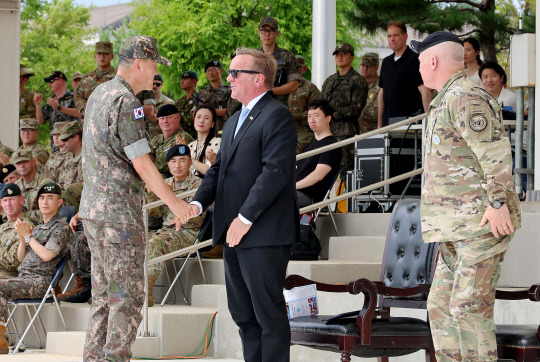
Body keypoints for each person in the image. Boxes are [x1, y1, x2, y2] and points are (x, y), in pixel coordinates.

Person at [75, 35, 193, 361]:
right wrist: (176, 204)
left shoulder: (99, 93)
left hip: (94, 213)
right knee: (124, 297)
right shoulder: (128, 104)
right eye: (154, 64)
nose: (156, 73)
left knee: (103, 295)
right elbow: (142, 162)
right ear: (139, 63)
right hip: (118, 219)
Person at [412, 31, 521, 361]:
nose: (417, 66)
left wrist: (499, 202)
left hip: (480, 224)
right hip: (455, 228)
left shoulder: (465, 97)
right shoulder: (446, 98)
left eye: (419, 60)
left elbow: (495, 153)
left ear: (432, 60)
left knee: (467, 308)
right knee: (441, 305)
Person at [189, 47, 298, 362]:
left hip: (262, 233)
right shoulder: (235, 119)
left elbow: (275, 172)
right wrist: (197, 204)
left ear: (259, 79)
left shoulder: (276, 115)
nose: (229, 78)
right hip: (232, 232)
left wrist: (245, 218)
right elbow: (219, 170)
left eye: (236, 73)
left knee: (268, 316)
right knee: (244, 317)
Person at [0, 181, 72, 355]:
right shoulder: (39, 228)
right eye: (41, 198)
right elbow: (21, 258)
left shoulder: (61, 227)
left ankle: (1, 338)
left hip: (41, 282)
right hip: (24, 278)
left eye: (50, 198)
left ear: (59, 202)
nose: (45, 202)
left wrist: (28, 237)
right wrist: (23, 238)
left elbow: (47, 255)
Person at [146, 144, 204, 306]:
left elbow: (194, 216)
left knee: (155, 243)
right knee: (132, 241)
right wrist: (150, 194)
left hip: (187, 233)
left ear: (190, 162)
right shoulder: (164, 184)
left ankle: (146, 293)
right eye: (173, 161)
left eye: (182, 160)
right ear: (168, 164)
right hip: (164, 231)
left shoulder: (198, 185)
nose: (177, 165)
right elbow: (154, 214)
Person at [321, 42, 368, 177]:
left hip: (345, 134)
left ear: (352, 57)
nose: (339, 57)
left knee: (344, 171)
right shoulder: (330, 81)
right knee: (326, 169)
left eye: (343, 54)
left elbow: (356, 108)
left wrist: (335, 114)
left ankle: (344, 198)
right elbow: (321, 103)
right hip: (327, 132)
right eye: (337, 54)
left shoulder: (357, 81)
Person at [378, 21, 431, 128]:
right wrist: (379, 125)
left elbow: (425, 91)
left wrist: (428, 123)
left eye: (396, 35)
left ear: (405, 36)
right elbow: (381, 94)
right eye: (389, 36)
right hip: (387, 124)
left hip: (410, 126)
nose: (392, 39)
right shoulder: (386, 62)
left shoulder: (416, 60)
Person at [296, 99, 342, 208]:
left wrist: (291, 187)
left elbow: (318, 175)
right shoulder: (308, 146)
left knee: (273, 202)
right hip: (294, 193)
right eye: (309, 116)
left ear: (328, 118)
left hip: (309, 196)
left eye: (316, 116)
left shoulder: (331, 145)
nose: (311, 120)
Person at [257, 16, 301, 106]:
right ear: (259, 32)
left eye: (271, 30)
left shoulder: (287, 56)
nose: (267, 34)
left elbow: (294, 85)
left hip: (279, 106)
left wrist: (271, 91)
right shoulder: (253, 57)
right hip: (257, 105)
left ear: (277, 33)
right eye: (264, 30)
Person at [34, 71, 82, 152]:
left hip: (72, 146)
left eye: (52, 81)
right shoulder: (51, 102)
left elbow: (80, 113)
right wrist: (38, 105)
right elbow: (40, 121)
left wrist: (59, 107)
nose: (50, 84)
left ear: (61, 81)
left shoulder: (74, 96)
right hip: (56, 147)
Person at [0, 184, 34, 279]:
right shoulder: (2, 227)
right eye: (5, 200)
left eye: (12, 199)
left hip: (9, 278)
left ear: (21, 200)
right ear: (1, 203)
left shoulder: (25, 227)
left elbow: (13, 262)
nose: (8, 204)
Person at [288, 55, 321, 153]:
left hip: (304, 134)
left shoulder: (310, 88)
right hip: (284, 132)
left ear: (304, 69)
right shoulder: (281, 87)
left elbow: (318, 113)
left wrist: (296, 116)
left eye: (297, 68)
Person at [150, 104, 194, 177]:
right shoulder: (156, 139)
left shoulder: (183, 138)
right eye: (162, 118)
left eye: (169, 117)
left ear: (178, 118)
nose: (165, 121)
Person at [74, 41, 116, 117]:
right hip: (91, 122)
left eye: (106, 54)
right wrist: (85, 106)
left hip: (111, 122)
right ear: (95, 56)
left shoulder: (118, 77)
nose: (102, 57)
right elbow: (77, 96)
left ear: (112, 56)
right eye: (99, 54)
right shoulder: (86, 78)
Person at [12, 149, 53, 224]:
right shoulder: (15, 186)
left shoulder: (46, 183)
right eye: (18, 163)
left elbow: (50, 212)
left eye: (25, 161)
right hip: (19, 226)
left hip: (42, 227)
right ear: (15, 166)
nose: (22, 166)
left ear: (33, 162)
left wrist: (24, 214)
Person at [197, 60, 232, 133]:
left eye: (214, 69)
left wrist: (210, 112)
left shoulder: (230, 90)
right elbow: (195, 111)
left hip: (223, 132)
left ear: (221, 71)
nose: (211, 73)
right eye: (208, 70)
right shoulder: (201, 92)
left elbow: (231, 110)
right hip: (204, 133)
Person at [187, 105, 221, 177]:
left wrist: (190, 158)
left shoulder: (217, 142)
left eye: (206, 118)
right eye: (198, 117)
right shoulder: (190, 145)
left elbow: (209, 171)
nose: (201, 121)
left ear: (212, 123)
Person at [57, 121, 83, 190]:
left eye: (65, 140)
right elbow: (61, 182)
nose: (62, 143)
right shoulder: (69, 157)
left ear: (76, 138)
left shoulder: (86, 158)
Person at [358, 52, 380, 134]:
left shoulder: (381, 86)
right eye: (363, 65)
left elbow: (378, 112)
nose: (365, 69)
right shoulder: (357, 85)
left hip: (372, 134)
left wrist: (357, 110)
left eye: (368, 66)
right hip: (355, 135)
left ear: (376, 67)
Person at [175, 70, 199, 138]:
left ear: (194, 81)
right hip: (180, 137)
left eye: (185, 79)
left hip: (195, 137)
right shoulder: (179, 101)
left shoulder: (200, 98)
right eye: (182, 79)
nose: (182, 81)